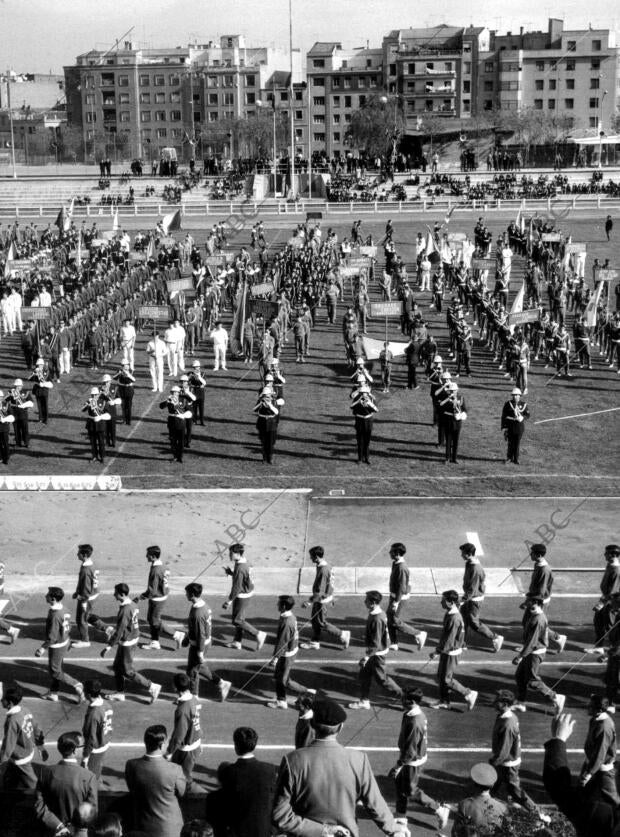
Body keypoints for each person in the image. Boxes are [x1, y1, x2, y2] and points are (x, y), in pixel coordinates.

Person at [272, 696, 409, 836]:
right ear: (341, 727)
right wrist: (395, 829)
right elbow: (375, 804)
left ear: (312, 724)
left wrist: (324, 830)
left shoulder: (292, 761)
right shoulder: (358, 760)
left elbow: (280, 816)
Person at [390, 687, 450, 832]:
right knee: (400, 784)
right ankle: (401, 816)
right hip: (410, 757)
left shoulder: (414, 722)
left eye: (403, 699)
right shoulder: (413, 714)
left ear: (410, 701)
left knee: (410, 790)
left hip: (411, 761)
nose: (401, 701)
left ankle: (439, 809)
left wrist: (398, 765)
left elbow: (410, 751)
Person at [489, 689, 551, 823]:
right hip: (506, 762)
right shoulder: (508, 716)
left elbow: (504, 750)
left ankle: (538, 813)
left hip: (507, 763)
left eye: (497, 701)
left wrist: (494, 762)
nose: (494, 703)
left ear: (505, 704)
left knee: (515, 791)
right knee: (493, 783)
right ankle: (485, 801)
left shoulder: (507, 724)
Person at [100, 582, 162, 704]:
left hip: (127, 642)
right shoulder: (132, 604)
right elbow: (134, 604)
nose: (114, 595)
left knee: (128, 671)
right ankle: (120, 692)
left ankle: (152, 686)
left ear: (122, 594)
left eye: (116, 593)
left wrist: (108, 647)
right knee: (117, 667)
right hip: (132, 637)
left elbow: (119, 631)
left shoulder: (125, 610)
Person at [125, 724, 186, 837]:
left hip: (143, 826)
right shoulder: (175, 769)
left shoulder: (131, 765)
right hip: (170, 829)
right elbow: (181, 792)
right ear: (162, 745)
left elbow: (132, 789)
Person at [175, 582, 231, 701]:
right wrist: (187, 640)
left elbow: (201, 634)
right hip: (200, 643)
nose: (186, 595)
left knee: (192, 671)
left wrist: (200, 652)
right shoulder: (202, 606)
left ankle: (194, 696)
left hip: (200, 645)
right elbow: (194, 629)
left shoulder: (198, 613)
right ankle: (221, 683)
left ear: (193, 594)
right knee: (198, 667)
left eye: (187, 593)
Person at [35, 731, 98, 837]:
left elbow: (39, 805)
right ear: (74, 750)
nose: (84, 748)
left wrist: (58, 826)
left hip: (53, 830)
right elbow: (92, 810)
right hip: (79, 832)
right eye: (82, 745)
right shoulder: (89, 776)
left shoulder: (45, 772)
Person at [218, 727, 277, 837]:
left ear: (236, 746)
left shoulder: (229, 772)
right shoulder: (269, 770)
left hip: (238, 831)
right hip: (263, 830)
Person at [349, 590, 403, 710]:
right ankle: (364, 700)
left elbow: (376, 642)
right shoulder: (378, 613)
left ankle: (404, 697)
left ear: (373, 602)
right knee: (364, 674)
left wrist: (367, 657)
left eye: (367, 600)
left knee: (382, 679)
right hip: (375, 652)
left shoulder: (377, 618)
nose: (365, 602)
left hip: (377, 655)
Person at [512, 596, 565, 714]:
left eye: (530, 603)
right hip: (532, 651)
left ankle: (555, 697)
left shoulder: (538, 619)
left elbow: (532, 641)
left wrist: (520, 656)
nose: (528, 605)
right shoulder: (535, 615)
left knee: (532, 681)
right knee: (520, 676)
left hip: (534, 653)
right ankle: (520, 702)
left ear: (537, 604)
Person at [429, 589, 478, 711]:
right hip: (448, 650)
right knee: (441, 676)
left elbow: (449, 640)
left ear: (450, 602)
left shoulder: (454, 618)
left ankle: (468, 693)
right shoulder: (451, 613)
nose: (441, 602)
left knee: (446, 679)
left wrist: (437, 651)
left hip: (450, 652)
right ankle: (444, 701)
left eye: (443, 600)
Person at [35, 586, 85, 704]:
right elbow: (69, 625)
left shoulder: (54, 615)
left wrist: (42, 648)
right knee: (56, 668)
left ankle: (77, 685)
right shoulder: (64, 609)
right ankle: (53, 693)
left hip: (57, 646)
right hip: (64, 642)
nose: (45, 596)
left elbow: (52, 637)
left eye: (47, 594)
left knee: (55, 671)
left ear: (53, 599)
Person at [300, 545, 351, 651]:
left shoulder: (323, 570)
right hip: (323, 598)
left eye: (312, 557)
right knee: (315, 620)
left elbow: (320, 591)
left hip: (321, 600)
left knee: (321, 622)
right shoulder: (326, 566)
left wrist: (309, 602)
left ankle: (342, 634)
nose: (310, 559)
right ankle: (315, 641)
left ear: (317, 556)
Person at [268, 595, 312, 709]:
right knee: (282, 678)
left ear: (283, 606)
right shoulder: (290, 617)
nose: (277, 605)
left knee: (282, 679)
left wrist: (275, 658)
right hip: (290, 651)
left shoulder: (286, 622)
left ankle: (283, 700)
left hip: (286, 655)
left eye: (278, 603)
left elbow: (283, 641)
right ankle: (299, 693)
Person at [0, 683, 47, 790]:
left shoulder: (12, 720)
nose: (1, 701)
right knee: (9, 776)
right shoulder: (25, 710)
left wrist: (1, 759)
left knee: (32, 781)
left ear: (10, 703)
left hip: (20, 756)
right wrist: (41, 747)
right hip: (27, 750)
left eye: (3, 699)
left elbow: (8, 744)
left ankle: (40, 795)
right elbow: (36, 728)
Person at [460, 542, 504, 652]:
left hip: (473, 600)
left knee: (474, 623)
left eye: (463, 553)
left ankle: (495, 637)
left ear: (469, 553)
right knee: (463, 619)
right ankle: (461, 642)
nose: (461, 555)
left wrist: (463, 600)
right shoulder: (469, 563)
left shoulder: (475, 568)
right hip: (470, 598)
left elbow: (473, 588)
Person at [523, 543, 567, 652]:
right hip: (535, 597)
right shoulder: (537, 564)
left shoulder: (544, 570)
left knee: (533, 623)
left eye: (532, 553)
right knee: (527, 622)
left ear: (538, 555)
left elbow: (541, 591)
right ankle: (558, 638)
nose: (530, 555)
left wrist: (529, 602)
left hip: (539, 600)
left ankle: (557, 638)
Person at [222, 543, 267, 651]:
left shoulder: (240, 567)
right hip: (246, 593)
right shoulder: (244, 562)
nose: (229, 555)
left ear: (238, 554)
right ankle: (237, 641)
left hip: (242, 596)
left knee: (237, 620)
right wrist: (232, 573)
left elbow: (237, 587)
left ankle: (258, 634)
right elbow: (242, 578)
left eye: (231, 553)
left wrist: (229, 601)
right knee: (239, 619)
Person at [164, 673, 202, 792]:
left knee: (183, 777)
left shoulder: (182, 710)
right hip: (195, 743)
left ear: (175, 687)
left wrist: (170, 751)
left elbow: (179, 734)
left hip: (186, 750)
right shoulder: (193, 699)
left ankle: (193, 795)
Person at [387, 543, 427, 652]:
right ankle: (394, 642)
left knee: (394, 620)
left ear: (397, 553)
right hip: (395, 595)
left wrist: (396, 602)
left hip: (399, 598)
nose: (390, 553)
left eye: (392, 551)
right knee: (390, 618)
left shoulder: (401, 568)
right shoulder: (395, 563)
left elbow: (401, 586)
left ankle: (418, 634)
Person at [580, 693, 619, 806]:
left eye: (591, 706)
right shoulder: (595, 719)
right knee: (582, 789)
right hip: (592, 762)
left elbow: (600, 753)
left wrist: (589, 773)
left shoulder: (604, 727)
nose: (588, 707)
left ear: (599, 710)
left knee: (612, 797)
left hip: (602, 768)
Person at [451, 763, 507, 837]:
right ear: (492, 785)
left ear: (474, 784)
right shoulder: (502, 807)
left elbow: (456, 832)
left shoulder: (464, 805)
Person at [585, 544, 620, 654]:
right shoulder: (610, 565)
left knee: (610, 626)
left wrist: (601, 603)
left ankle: (614, 649)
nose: (604, 555)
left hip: (611, 602)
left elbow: (613, 591)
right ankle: (599, 647)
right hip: (606, 599)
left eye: (607, 553)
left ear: (613, 555)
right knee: (598, 622)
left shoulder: (616, 571)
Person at [134, 545, 170, 651]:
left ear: (153, 556)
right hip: (162, 595)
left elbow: (152, 591)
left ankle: (176, 635)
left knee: (154, 621)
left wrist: (140, 597)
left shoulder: (155, 570)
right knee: (151, 619)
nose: (146, 556)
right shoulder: (163, 566)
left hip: (157, 598)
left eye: (148, 555)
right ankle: (155, 641)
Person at [81, 679, 113, 781]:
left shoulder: (93, 714)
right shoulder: (106, 704)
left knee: (89, 776)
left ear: (89, 695)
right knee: (98, 765)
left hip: (96, 748)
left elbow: (91, 738)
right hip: (105, 740)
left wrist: (85, 757)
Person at [70, 543, 101, 649]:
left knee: (81, 618)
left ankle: (85, 640)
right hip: (94, 594)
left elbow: (86, 587)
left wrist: (81, 597)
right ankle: (107, 630)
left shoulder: (85, 570)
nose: (77, 554)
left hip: (87, 597)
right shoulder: (92, 564)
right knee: (87, 616)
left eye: (78, 553)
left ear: (84, 555)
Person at [439, 380, 466, 464]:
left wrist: (463, 414)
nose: (453, 392)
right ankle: (447, 458)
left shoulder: (461, 398)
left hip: (457, 422)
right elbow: (441, 408)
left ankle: (454, 458)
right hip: (449, 421)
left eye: (454, 390)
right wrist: (449, 399)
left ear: (457, 390)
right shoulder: (446, 398)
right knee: (448, 440)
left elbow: (464, 408)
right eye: (451, 390)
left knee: (456, 441)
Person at [501, 387, 530, 465]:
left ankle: (516, 458)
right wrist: (504, 427)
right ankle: (509, 458)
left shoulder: (523, 405)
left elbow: (528, 415)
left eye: (517, 395)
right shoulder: (508, 404)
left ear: (520, 396)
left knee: (517, 443)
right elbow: (504, 416)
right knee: (510, 443)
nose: (515, 396)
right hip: (510, 426)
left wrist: (522, 417)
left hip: (519, 427)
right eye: (513, 395)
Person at [350, 382, 377, 465]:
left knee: (367, 442)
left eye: (366, 393)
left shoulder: (371, 399)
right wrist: (358, 401)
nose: (364, 395)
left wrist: (369, 403)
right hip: (359, 421)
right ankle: (360, 458)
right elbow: (352, 408)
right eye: (362, 393)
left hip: (368, 421)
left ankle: (367, 458)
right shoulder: (357, 399)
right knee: (360, 441)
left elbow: (375, 410)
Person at [81, 387, 109, 464]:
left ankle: (102, 456)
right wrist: (88, 404)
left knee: (101, 442)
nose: (94, 396)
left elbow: (107, 413)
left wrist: (100, 416)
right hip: (91, 424)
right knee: (93, 442)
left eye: (95, 395)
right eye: (92, 395)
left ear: (98, 394)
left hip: (100, 424)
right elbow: (82, 409)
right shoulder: (88, 401)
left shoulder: (102, 402)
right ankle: (94, 456)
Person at [253, 388, 279, 464]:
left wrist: (270, 405)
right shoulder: (260, 402)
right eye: (265, 396)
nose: (267, 398)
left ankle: (270, 458)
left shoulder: (274, 402)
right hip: (262, 423)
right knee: (263, 442)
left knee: (270, 442)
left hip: (271, 424)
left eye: (268, 396)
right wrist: (261, 403)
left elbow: (276, 412)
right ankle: (264, 458)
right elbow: (254, 409)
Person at [7, 378, 33, 449]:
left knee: (25, 429)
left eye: (19, 386)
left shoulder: (26, 392)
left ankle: (26, 443)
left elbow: (31, 402)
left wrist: (24, 405)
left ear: (22, 386)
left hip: (23, 413)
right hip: (14, 413)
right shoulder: (11, 392)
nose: (17, 387)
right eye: (16, 386)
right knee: (16, 429)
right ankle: (18, 443)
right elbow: (6, 401)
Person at [29, 358, 53, 425]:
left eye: (40, 365)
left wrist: (44, 383)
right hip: (38, 390)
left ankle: (46, 419)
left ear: (42, 365)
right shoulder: (35, 371)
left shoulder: (46, 371)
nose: (39, 366)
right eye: (38, 365)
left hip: (44, 390)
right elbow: (30, 379)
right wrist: (34, 374)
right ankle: (40, 418)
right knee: (39, 405)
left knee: (45, 405)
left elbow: (50, 381)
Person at [112, 362, 135, 426]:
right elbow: (114, 378)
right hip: (121, 389)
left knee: (129, 405)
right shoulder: (119, 371)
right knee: (123, 405)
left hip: (129, 389)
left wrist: (126, 373)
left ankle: (129, 420)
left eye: (124, 365)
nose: (123, 366)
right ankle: (124, 420)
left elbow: (133, 380)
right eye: (122, 365)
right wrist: (119, 373)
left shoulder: (130, 370)